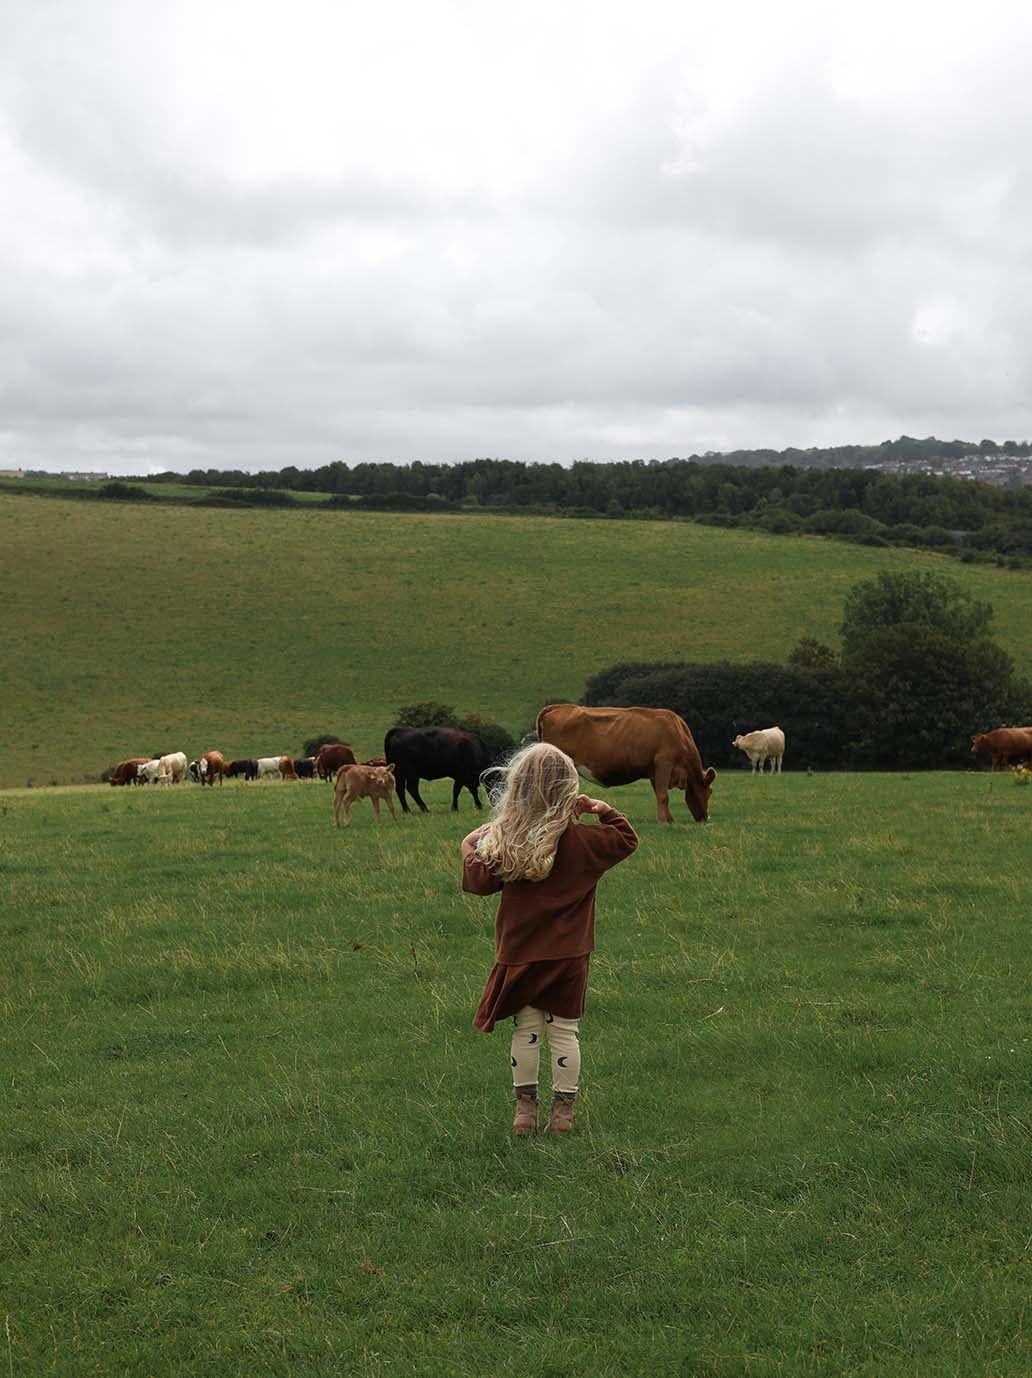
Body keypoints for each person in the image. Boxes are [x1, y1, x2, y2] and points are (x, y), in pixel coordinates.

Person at [461, 741, 638, 1137]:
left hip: (520, 954)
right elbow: (627, 840)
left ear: (517, 789)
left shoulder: (505, 843)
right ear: (570, 791)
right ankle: (563, 1116)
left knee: (526, 1031)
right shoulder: (587, 843)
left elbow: (477, 883)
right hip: (569, 956)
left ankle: (525, 1113)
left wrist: (468, 847)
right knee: (565, 1032)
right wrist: (603, 810)